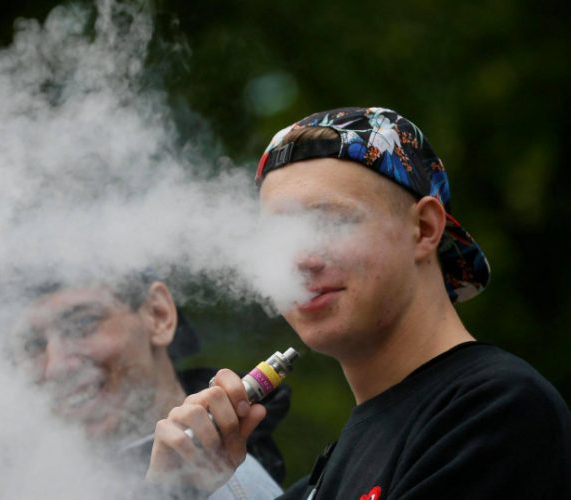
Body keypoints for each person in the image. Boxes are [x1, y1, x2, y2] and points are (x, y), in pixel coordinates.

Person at [146, 107, 571, 499]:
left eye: (331, 221)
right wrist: (172, 491)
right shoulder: (325, 477)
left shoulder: (496, 410)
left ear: (424, 229)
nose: (301, 261)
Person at [12, 274, 287, 499]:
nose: (55, 367)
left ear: (158, 315)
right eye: (33, 345)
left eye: (82, 324)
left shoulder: (218, 486)